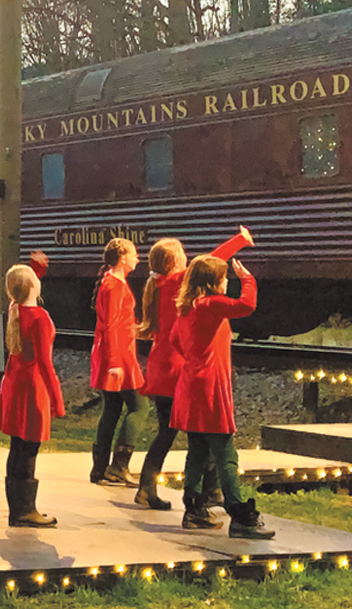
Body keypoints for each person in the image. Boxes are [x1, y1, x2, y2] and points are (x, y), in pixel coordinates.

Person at [134, 228, 252, 511]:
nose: (189, 259)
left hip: (160, 366)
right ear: (174, 263)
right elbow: (209, 262)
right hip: (177, 369)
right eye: (184, 256)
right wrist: (239, 242)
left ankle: (148, 486)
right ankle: (210, 493)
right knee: (202, 434)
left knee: (170, 433)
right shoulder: (179, 282)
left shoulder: (161, 285)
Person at [171, 256, 273, 539]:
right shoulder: (211, 305)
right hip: (211, 389)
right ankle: (240, 515)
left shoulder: (186, 308)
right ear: (214, 282)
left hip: (191, 386)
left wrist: (196, 359)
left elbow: (174, 341)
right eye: (224, 277)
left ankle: (193, 510)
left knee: (198, 452)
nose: (227, 281)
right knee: (227, 455)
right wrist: (248, 279)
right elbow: (247, 305)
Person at [0, 263, 65, 527]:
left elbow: (20, 288)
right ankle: (26, 511)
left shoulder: (15, 310)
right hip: (33, 388)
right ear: (33, 286)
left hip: (14, 385)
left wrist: (35, 268)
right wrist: (57, 399)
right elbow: (46, 364)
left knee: (17, 447)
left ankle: (17, 509)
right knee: (29, 449)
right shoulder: (40, 318)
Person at [88, 238, 148, 486]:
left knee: (111, 409)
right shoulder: (114, 285)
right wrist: (115, 362)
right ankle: (119, 465)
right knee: (139, 407)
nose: (138, 257)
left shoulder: (112, 282)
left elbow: (118, 322)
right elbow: (112, 324)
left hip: (117, 352)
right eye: (134, 253)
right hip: (119, 356)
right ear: (122, 256)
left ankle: (100, 468)